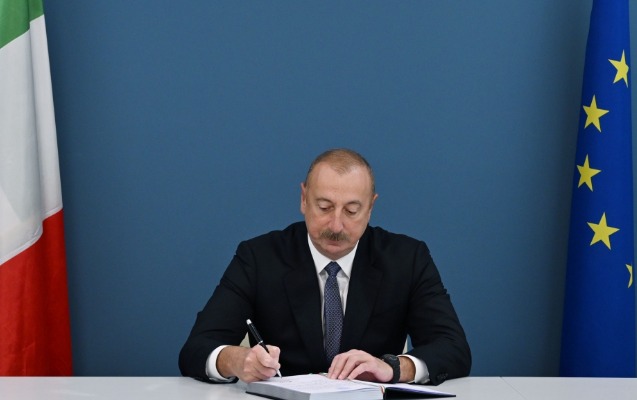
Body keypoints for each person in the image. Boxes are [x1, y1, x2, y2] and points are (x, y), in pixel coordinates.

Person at [179, 148, 471, 385]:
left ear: (371, 208)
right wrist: (237, 360)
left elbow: (453, 348)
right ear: (303, 199)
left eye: (352, 211)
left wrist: (394, 367)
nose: (336, 225)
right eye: (324, 207)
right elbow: (197, 348)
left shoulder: (407, 259)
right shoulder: (259, 257)